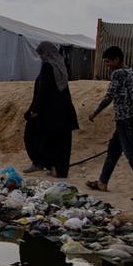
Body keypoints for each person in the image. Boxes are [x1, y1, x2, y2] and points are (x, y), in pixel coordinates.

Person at [87, 46, 133, 203]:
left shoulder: (118, 74)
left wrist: (95, 112)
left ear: (117, 59)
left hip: (123, 119)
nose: (107, 65)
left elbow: (109, 96)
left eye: (108, 61)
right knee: (113, 149)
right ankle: (102, 182)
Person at [23, 41, 79, 177]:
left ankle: (40, 163)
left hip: (50, 113)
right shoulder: (60, 65)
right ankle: (57, 169)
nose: (40, 57)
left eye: (41, 53)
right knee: (60, 143)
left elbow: (43, 91)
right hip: (64, 113)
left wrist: (34, 110)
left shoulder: (48, 67)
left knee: (31, 135)